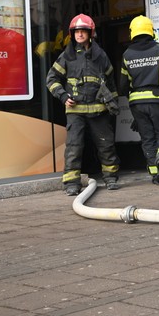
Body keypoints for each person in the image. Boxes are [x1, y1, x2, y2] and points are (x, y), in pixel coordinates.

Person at [46, 14, 121, 196]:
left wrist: (113, 103)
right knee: (74, 146)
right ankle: (71, 183)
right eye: (76, 31)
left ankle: (110, 178)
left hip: (99, 110)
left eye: (83, 31)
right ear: (72, 34)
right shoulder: (67, 56)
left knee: (106, 145)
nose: (79, 35)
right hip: (75, 110)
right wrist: (63, 96)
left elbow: (111, 82)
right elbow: (51, 79)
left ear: (90, 33)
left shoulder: (100, 56)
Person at [119, 15, 159, 184]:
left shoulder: (127, 54)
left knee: (147, 138)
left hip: (136, 104)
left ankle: (155, 173)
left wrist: (133, 99)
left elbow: (122, 86)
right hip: (158, 100)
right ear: (150, 30)